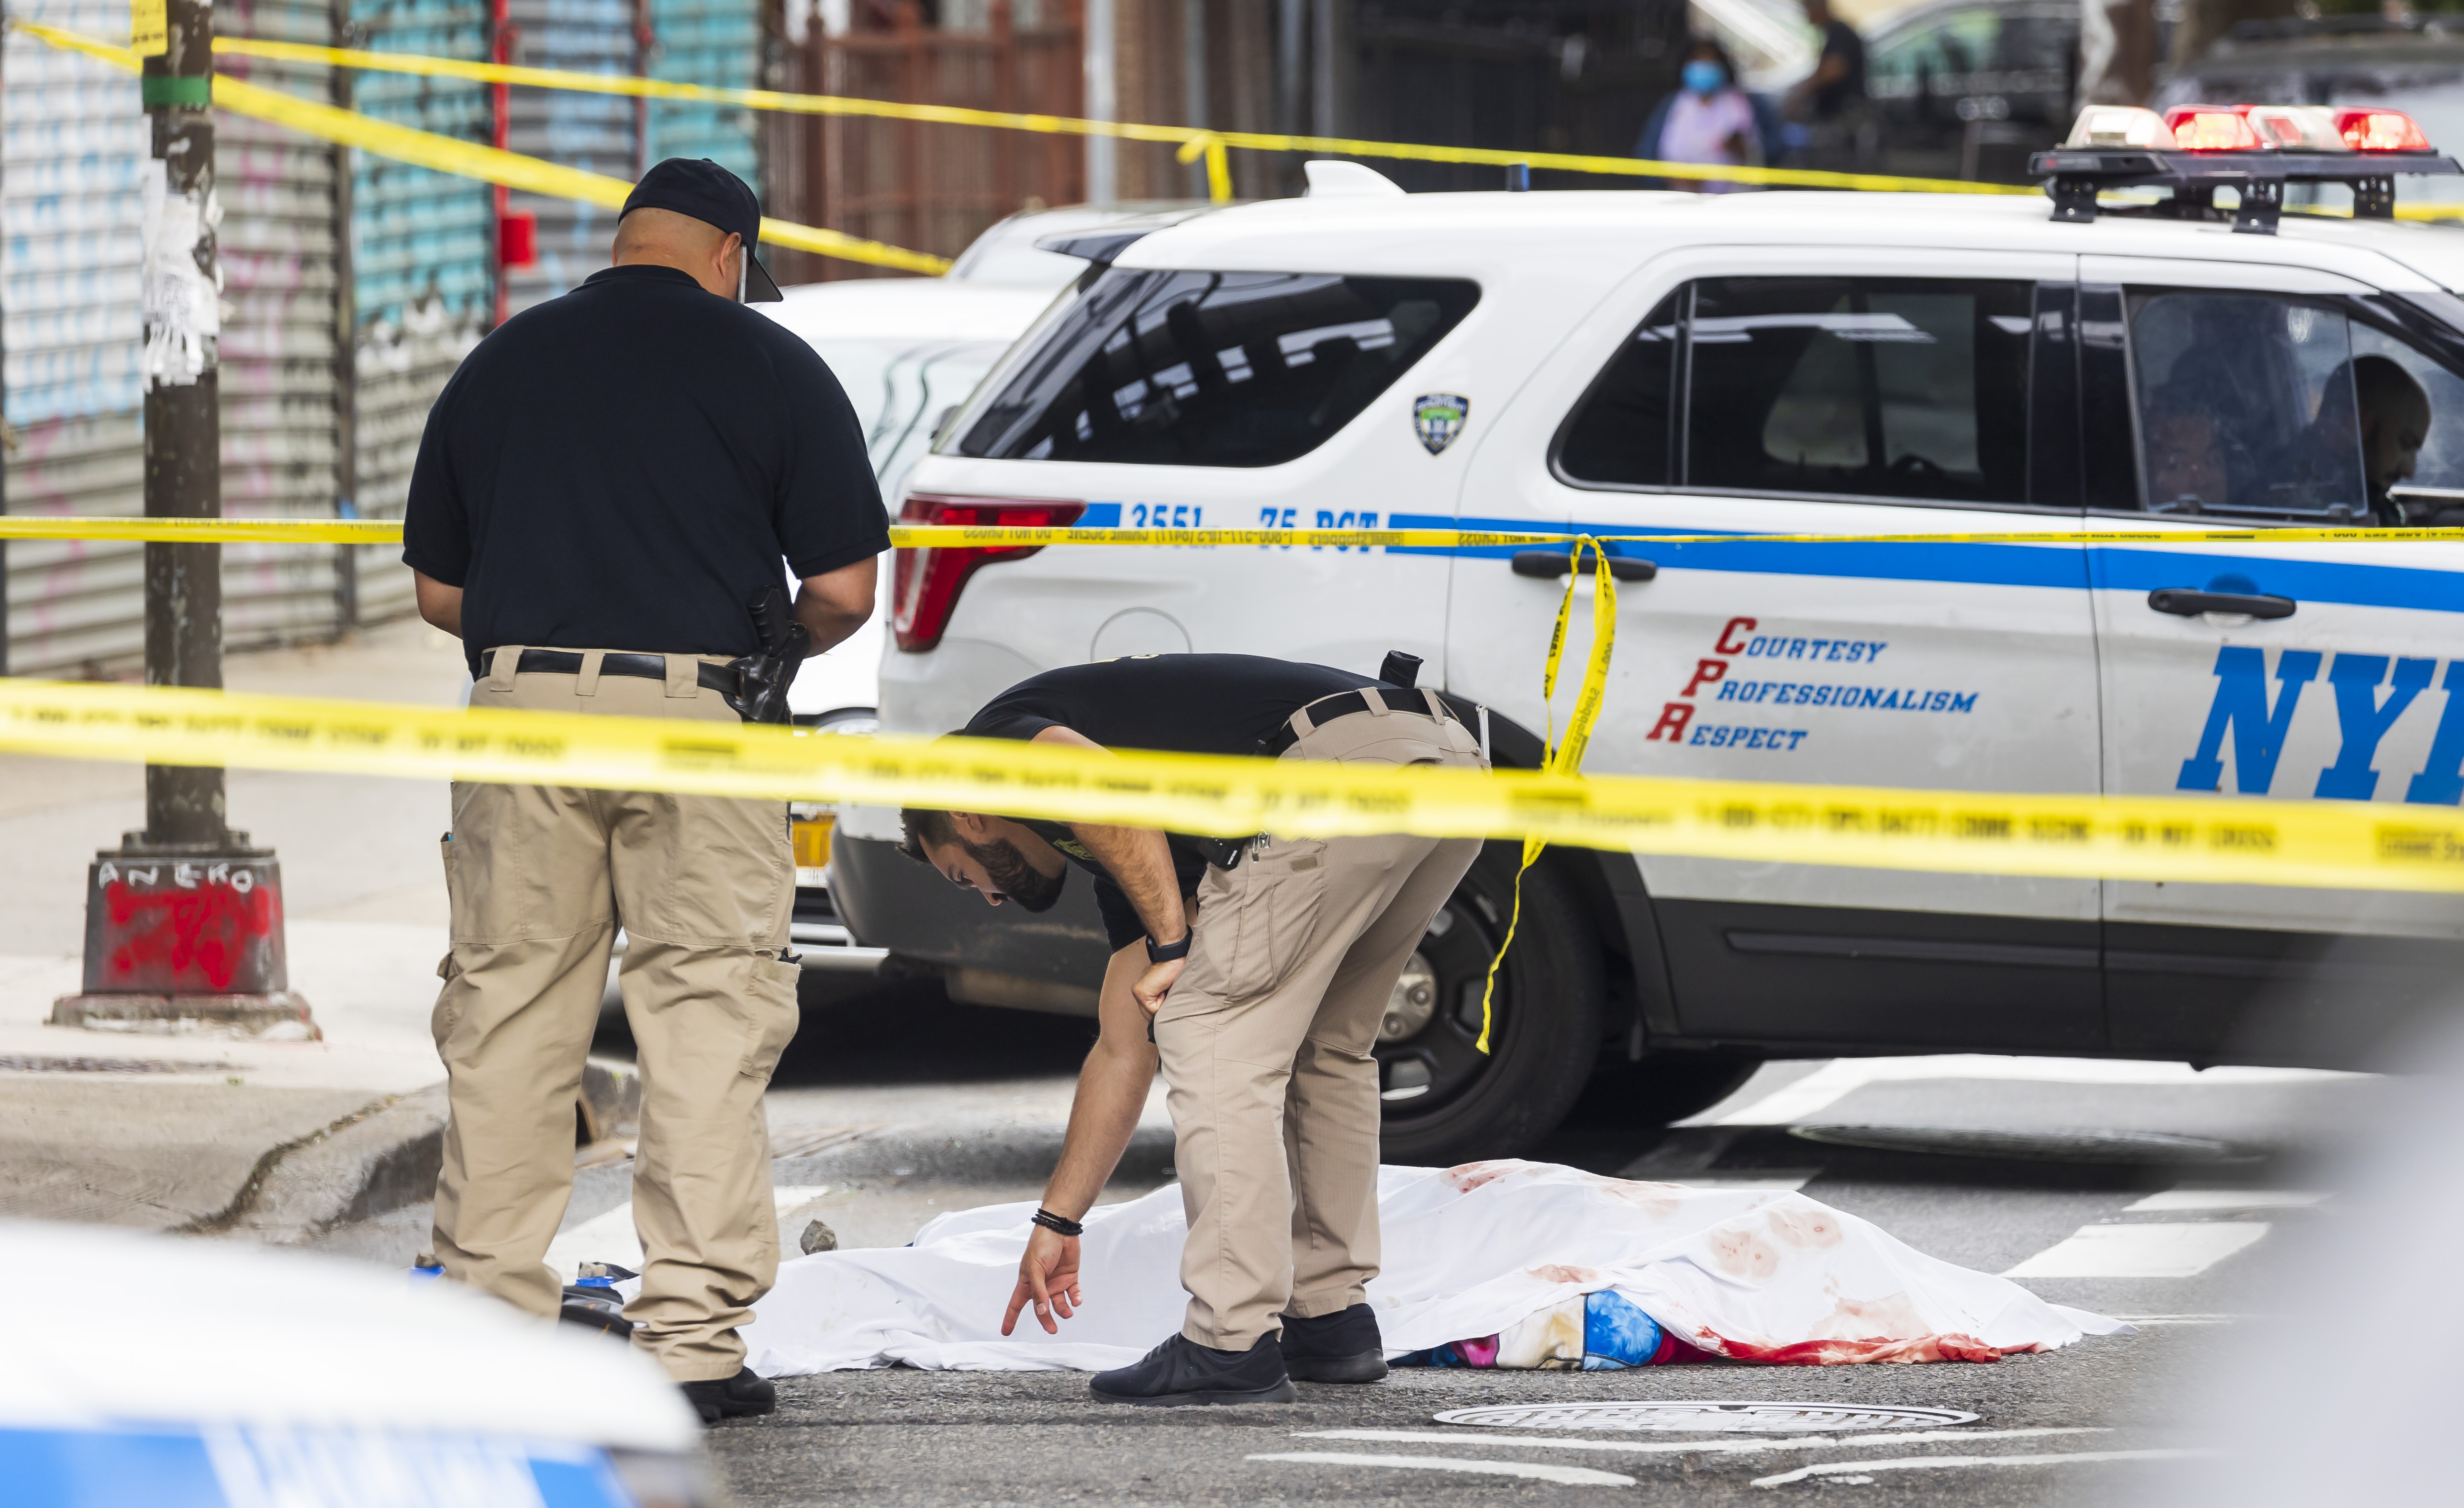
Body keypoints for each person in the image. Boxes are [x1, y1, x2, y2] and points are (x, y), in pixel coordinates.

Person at [401, 157, 887, 1424]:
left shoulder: (499, 363)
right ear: (730, 251)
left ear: (625, 243)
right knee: (705, 1020)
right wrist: (766, 635)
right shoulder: (774, 367)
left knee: (509, 1014)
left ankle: (491, 1321)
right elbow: (843, 590)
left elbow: (438, 594)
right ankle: (689, 1343)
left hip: (521, 722)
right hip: (700, 720)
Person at [898, 654, 1487, 1405]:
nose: (985, 899)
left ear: (968, 815)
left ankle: (1229, 1338)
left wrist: (1175, 944)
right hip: (1442, 756)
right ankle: (1333, 1321)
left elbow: (1110, 792)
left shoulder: (1000, 743)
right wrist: (1059, 1220)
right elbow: (1121, 1047)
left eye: (962, 874)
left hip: (1333, 761)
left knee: (1210, 1034)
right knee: (1326, 1048)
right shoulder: (1120, 864)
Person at [1636, 37, 1785, 191]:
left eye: (1710, 62)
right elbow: (1647, 153)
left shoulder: (1747, 104)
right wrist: (1672, 179)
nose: (1703, 68)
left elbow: (1775, 149)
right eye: (1698, 61)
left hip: (1736, 202)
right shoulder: (1673, 104)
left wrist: (1744, 149)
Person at [1787, 0, 1870, 170]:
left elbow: (1834, 70)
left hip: (1843, 119)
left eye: (1807, 8)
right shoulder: (1831, 34)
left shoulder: (1840, 33)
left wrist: (1801, 94)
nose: (1805, 14)